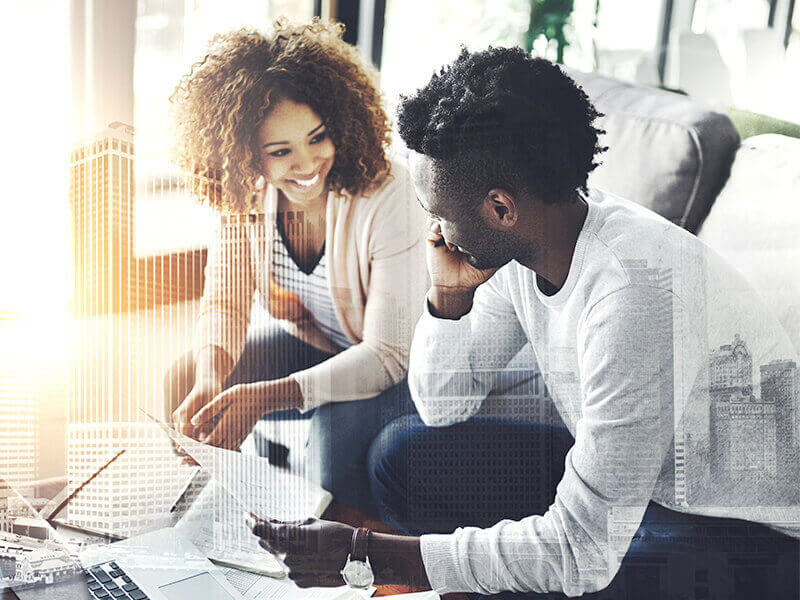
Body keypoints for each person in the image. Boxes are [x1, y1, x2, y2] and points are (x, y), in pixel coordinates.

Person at [249, 47, 800, 598]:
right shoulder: (524, 242)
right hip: (647, 486)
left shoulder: (634, 293)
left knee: (578, 576)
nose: (433, 231)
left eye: (436, 210)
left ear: (500, 208)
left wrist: (369, 555)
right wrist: (446, 297)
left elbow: (582, 551)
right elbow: (443, 406)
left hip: (749, 530)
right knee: (401, 457)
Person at [164, 18, 427, 517]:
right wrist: (212, 375)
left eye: (317, 137)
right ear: (246, 156)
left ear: (340, 123)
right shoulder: (243, 193)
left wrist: (264, 397)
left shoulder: (389, 191)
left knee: (326, 459)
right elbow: (226, 300)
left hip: (404, 369)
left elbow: (389, 355)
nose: (306, 164)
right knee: (189, 379)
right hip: (327, 344)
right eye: (280, 151)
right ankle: (214, 526)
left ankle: (329, 576)